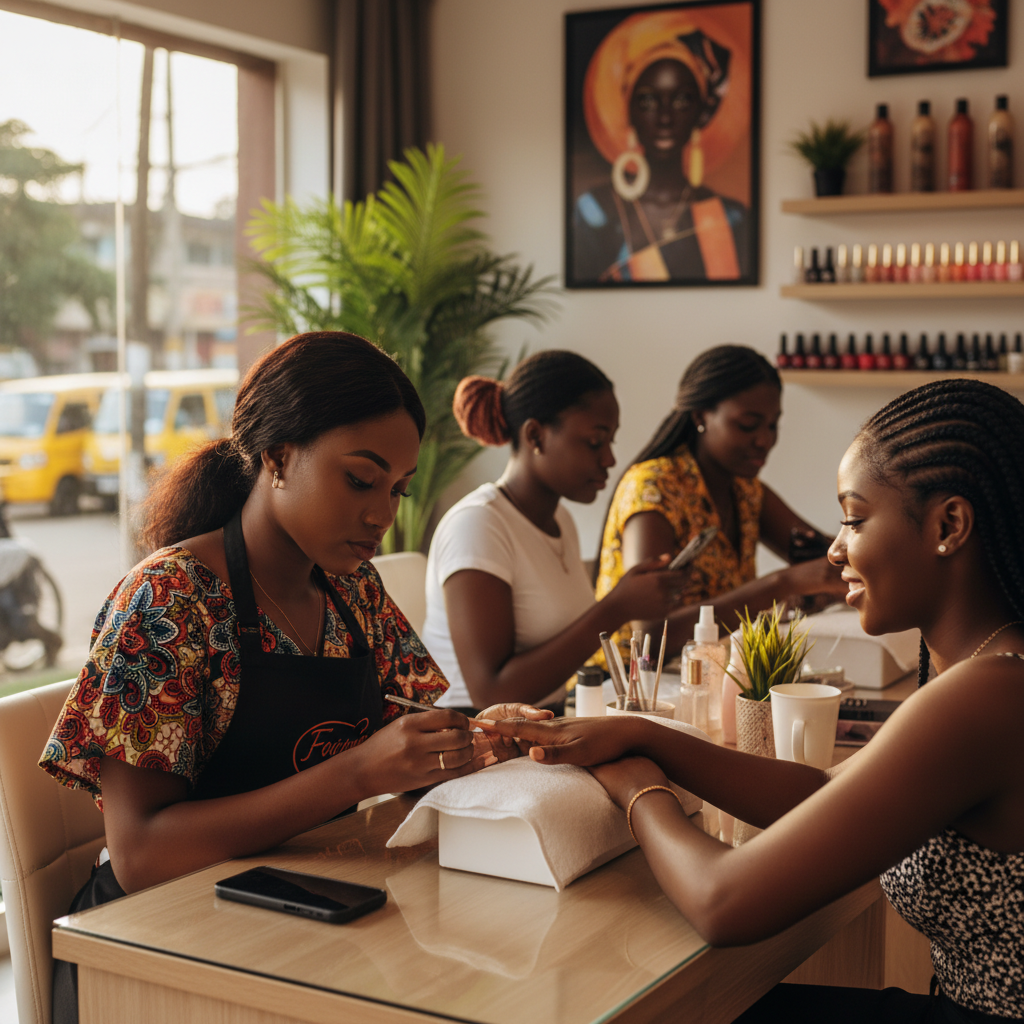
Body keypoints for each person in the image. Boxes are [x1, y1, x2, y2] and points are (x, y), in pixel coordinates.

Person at [39, 332, 544, 1024]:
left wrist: (478, 743)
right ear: (277, 458)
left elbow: (404, 746)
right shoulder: (170, 601)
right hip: (153, 958)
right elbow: (141, 855)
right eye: (360, 480)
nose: (382, 515)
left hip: (300, 917)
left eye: (397, 489)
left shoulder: (351, 591)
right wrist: (358, 775)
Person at [486, 378, 1024, 1023]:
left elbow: (722, 903)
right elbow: (821, 792)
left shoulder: (989, 694)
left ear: (949, 525)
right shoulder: (986, 671)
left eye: (853, 518)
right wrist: (648, 735)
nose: (834, 549)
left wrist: (638, 787)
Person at [421, 350, 690, 714]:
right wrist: (617, 607)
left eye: (611, 441)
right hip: (473, 737)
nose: (610, 458)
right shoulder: (478, 525)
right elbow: (491, 694)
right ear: (535, 435)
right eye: (595, 442)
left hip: (542, 723)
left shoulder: (559, 519)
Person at [596, 345, 845, 655]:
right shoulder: (652, 489)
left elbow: (836, 559)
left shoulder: (747, 492)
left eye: (772, 425)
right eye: (748, 424)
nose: (765, 440)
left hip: (710, 676)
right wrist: (781, 585)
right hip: (625, 690)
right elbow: (649, 637)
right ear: (702, 415)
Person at [572, 11, 751, 284]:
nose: (665, 118)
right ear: (627, 112)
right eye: (648, 102)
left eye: (681, 101)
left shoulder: (732, 218)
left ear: (703, 112)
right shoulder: (593, 213)